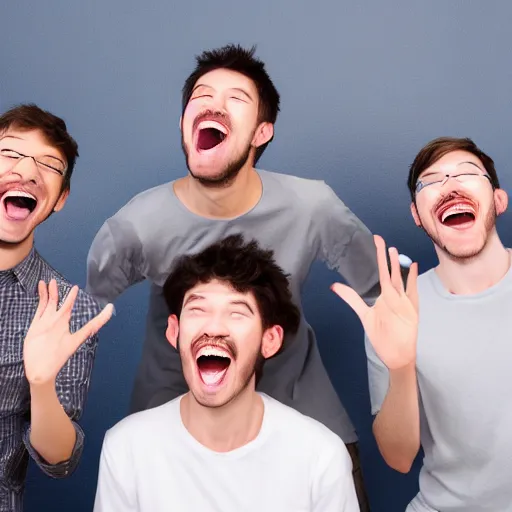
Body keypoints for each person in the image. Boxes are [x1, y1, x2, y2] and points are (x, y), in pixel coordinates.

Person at [86, 43, 378, 510]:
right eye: (201, 95)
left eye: (236, 98)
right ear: (184, 121)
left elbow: (381, 292)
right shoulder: (135, 225)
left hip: (302, 431)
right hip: (169, 445)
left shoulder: (311, 206)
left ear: (263, 131)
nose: (214, 104)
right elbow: (86, 311)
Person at [93, 234, 359, 512]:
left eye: (236, 312)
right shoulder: (126, 448)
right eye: (197, 309)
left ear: (269, 341)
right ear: (174, 331)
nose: (214, 327)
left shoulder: (321, 457)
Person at [332, 137, 512, 511]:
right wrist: (401, 365)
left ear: (498, 200)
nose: (449, 185)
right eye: (431, 181)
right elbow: (398, 458)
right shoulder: (396, 312)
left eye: (466, 173)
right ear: (417, 214)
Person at [0, 104, 113, 511]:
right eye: (10, 154)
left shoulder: (67, 308)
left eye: (49, 164)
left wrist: (42, 383)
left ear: (59, 199)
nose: (27, 172)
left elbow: (59, 461)